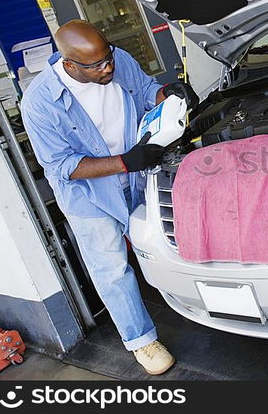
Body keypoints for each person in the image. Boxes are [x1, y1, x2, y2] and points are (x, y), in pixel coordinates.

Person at [20, 20, 198, 375]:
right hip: (89, 195)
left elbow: (146, 90)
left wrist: (170, 93)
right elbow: (62, 167)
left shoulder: (116, 59)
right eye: (98, 66)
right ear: (70, 64)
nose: (108, 68)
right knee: (112, 270)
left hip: (136, 173)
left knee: (164, 237)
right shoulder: (39, 103)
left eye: (109, 59)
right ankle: (142, 342)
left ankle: (196, 302)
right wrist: (124, 161)